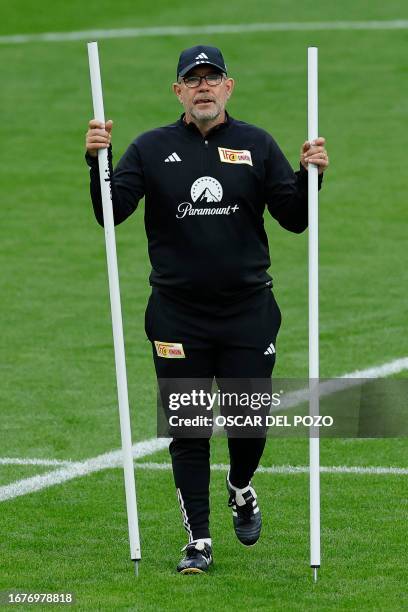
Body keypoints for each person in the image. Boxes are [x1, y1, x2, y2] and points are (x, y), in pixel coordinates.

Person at [85, 44, 329, 575]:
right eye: (191, 79)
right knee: (189, 429)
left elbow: (294, 219)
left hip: (247, 311)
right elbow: (111, 211)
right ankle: (198, 540)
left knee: (249, 422)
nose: (202, 87)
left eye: (211, 78)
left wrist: (313, 178)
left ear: (227, 87)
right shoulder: (151, 148)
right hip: (177, 315)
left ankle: (240, 486)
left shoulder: (256, 144)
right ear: (178, 91)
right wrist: (96, 161)